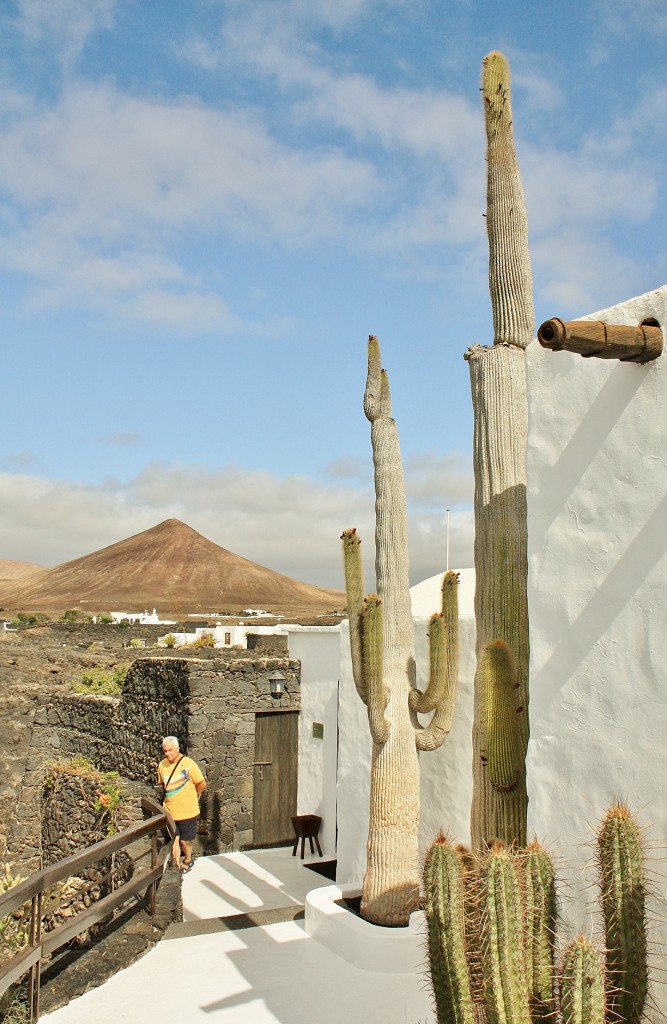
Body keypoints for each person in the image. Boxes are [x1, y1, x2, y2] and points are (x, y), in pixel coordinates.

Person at [158, 736, 206, 875]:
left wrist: (195, 795)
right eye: (165, 751)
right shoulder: (162, 765)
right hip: (170, 811)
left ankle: (188, 859)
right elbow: (163, 785)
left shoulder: (189, 764)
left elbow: (201, 783)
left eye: (170, 750)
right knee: (174, 839)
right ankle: (177, 864)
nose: (167, 754)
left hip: (187, 812)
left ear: (177, 749)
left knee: (185, 841)